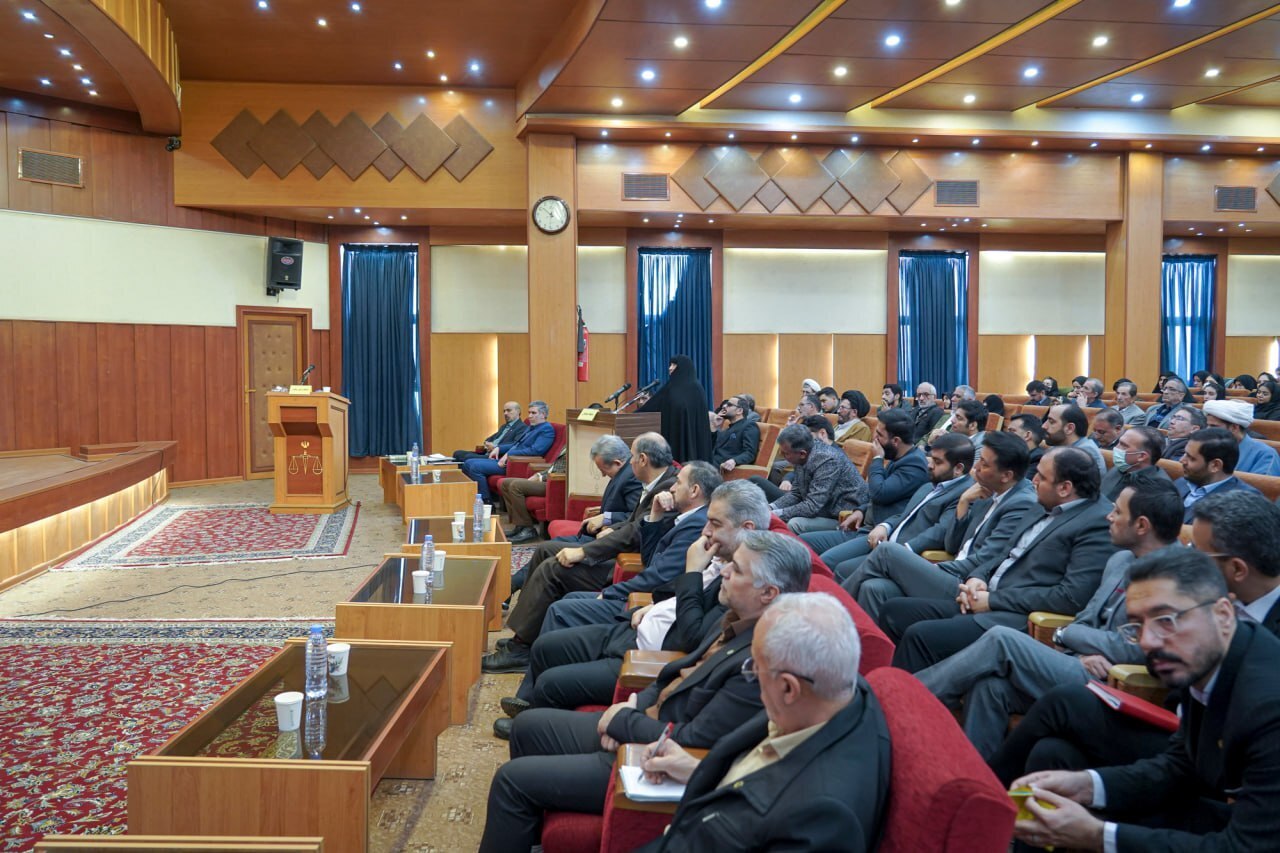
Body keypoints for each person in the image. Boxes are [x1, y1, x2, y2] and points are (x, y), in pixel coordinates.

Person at [476, 531, 812, 853]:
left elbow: (695, 738)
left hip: (653, 755)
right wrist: (636, 703)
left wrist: (623, 721)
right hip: (644, 719)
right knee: (527, 727)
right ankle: (528, 837)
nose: (723, 570)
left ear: (768, 592)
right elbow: (674, 673)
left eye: (736, 569)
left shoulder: (762, 660)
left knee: (511, 781)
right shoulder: (736, 616)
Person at [989, 491, 1280, 790]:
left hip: (1222, 757)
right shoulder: (1213, 599)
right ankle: (996, 815)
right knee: (1051, 752)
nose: (1188, 556)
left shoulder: (1225, 613)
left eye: (1198, 551)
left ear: (1237, 569)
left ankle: (984, 790)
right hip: (1174, 725)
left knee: (1065, 699)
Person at [1006, 548, 1280, 853]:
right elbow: (1180, 766)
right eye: (1137, 625)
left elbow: (1247, 848)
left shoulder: (1269, 704)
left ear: (1223, 614)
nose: (1148, 641)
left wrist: (1097, 835)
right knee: (1056, 756)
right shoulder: (1206, 660)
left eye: (1166, 620)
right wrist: (1088, 784)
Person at [916, 480, 1182, 758]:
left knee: (1002, 639)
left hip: (1118, 683)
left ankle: (915, 698)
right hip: (1078, 662)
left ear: (1141, 526)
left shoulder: (1177, 578)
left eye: (1117, 512)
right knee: (990, 687)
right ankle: (974, 776)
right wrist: (1071, 642)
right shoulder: (1120, 560)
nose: (1109, 516)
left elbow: (1139, 648)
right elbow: (1084, 619)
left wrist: (1068, 637)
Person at [634, 593, 891, 852]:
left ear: (789, 688)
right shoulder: (835, 693)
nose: (752, 678)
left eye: (754, 668)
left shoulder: (821, 818)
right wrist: (696, 769)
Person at [496, 480, 771, 719]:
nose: (706, 530)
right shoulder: (715, 547)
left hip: (647, 648)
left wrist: (691, 573)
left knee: (558, 622)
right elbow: (655, 566)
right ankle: (527, 688)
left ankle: (532, 707)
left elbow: (691, 631)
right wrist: (653, 604)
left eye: (714, 523)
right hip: (638, 619)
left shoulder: (744, 578)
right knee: (546, 642)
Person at [883, 446, 1116, 672]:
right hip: (980, 596)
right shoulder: (1043, 503)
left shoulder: (1096, 524)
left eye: (1041, 477)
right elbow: (1003, 553)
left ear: (1065, 488)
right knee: (894, 610)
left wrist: (993, 600)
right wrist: (978, 577)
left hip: (1015, 615)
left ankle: (906, 704)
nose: (1033, 481)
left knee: (921, 635)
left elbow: (1070, 597)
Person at [485, 433, 678, 671]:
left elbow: (635, 533)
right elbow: (632, 523)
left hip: (628, 564)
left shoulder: (667, 488)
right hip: (619, 550)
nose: (629, 462)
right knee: (547, 552)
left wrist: (585, 552)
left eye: (632, 457)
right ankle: (526, 635)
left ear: (643, 459)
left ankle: (521, 649)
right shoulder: (659, 482)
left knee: (552, 569)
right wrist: (610, 525)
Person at [843, 431, 1041, 622]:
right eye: (979, 460)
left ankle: (834, 612)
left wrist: (939, 568)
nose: (976, 468)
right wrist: (963, 502)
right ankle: (870, 650)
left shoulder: (1020, 503)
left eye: (984, 464)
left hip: (966, 585)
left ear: (1006, 475)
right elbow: (952, 544)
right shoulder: (985, 491)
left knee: (887, 551)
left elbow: (984, 559)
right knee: (873, 587)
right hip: (952, 571)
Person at [530, 462, 721, 637]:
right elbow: (650, 560)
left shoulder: (695, 525)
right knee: (569, 596)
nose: (671, 488)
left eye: (678, 483)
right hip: (645, 592)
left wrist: (612, 592)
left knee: (560, 609)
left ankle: (543, 658)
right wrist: (654, 516)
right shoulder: (688, 518)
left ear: (694, 490)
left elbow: (659, 575)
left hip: (648, 602)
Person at [813, 433, 973, 581]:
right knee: (826, 561)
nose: (930, 465)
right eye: (931, 458)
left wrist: (903, 549)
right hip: (882, 539)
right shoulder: (931, 483)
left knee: (841, 569)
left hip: (904, 553)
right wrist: (885, 526)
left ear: (958, 469)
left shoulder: (964, 493)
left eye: (937, 462)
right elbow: (905, 515)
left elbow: (938, 533)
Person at [796, 409, 930, 563]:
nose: (874, 438)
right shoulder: (899, 457)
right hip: (865, 527)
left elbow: (879, 492)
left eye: (879, 435)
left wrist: (877, 459)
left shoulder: (914, 465)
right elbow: (885, 496)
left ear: (896, 441)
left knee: (828, 560)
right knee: (802, 541)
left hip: (881, 534)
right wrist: (861, 510)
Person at [504, 434, 638, 545]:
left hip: (607, 540)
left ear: (617, 463)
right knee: (546, 548)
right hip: (596, 534)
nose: (603, 475)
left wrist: (606, 518)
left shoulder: (630, 478)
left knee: (547, 549)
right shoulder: (623, 474)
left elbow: (635, 516)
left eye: (603, 470)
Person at [753, 424, 869, 533]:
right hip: (820, 508)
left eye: (785, 454)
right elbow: (796, 493)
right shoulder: (803, 454)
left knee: (794, 523)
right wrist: (770, 507)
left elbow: (812, 506)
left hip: (841, 516)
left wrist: (774, 514)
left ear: (802, 454)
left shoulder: (827, 461)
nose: (783, 457)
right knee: (756, 482)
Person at [460, 400, 556, 502]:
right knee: (467, 463)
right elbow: (516, 444)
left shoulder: (546, 429)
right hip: (509, 460)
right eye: (529, 413)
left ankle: (486, 502)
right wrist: (500, 448)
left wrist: (509, 454)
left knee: (474, 467)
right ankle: (473, 499)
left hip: (519, 464)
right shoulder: (532, 427)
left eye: (533, 413)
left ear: (543, 414)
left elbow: (535, 451)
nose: (530, 416)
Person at [637, 354, 713, 463]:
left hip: (692, 441)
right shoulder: (670, 387)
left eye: (674, 364)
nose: (670, 368)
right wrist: (631, 416)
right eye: (670, 364)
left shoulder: (696, 389)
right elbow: (652, 406)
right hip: (673, 437)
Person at [1175, 427, 1260, 521]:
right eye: (1184, 454)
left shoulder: (1243, 504)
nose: (1181, 460)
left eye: (1191, 458)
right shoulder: (1181, 482)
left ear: (1215, 465)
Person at [1203, 398, 1280, 475]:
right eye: (1208, 425)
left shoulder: (1265, 455)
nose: (1207, 430)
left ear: (1234, 427)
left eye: (1213, 426)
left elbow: (1260, 485)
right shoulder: (1205, 447)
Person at [1099, 425, 1171, 501]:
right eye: (1119, 443)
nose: (1116, 448)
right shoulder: (1122, 467)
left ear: (1142, 456)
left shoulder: (1157, 491)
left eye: (1123, 446)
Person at [1043, 403, 1108, 480]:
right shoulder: (1060, 446)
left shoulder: (1084, 454)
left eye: (1051, 422)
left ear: (1070, 428)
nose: (1044, 426)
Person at [453, 400, 527, 461]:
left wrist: (495, 447)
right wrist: (487, 444)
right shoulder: (504, 426)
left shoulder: (522, 427)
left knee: (467, 457)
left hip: (498, 456)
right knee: (457, 453)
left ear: (518, 411)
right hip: (487, 452)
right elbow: (489, 439)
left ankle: (468, 478)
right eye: (504, 411)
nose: (505, 413)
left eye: (508, 410)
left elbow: (514, 445)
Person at [712, 394, 760, 473]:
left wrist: (734, 461)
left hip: (721, 466)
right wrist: (715, 425)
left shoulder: (749, 426)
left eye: (729, 405)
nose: (724, 406)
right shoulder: (726, 429)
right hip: (711, 462)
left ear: (739, 411)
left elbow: (750, 453)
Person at [1007, 413, 1046, 480]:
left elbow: (1015, 485)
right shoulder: (1011, 454)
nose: (1006, 435)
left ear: (1027, 435)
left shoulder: (1038, 459)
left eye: (1012, 431)